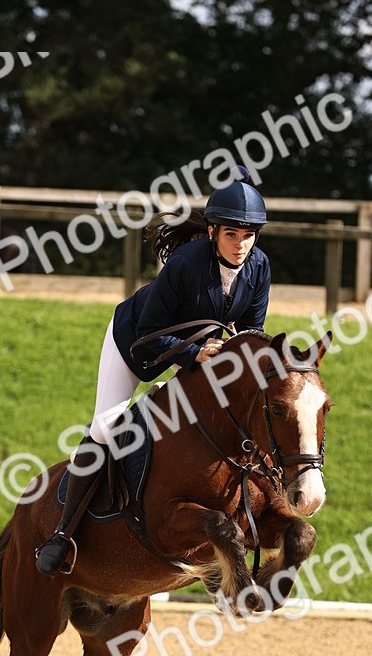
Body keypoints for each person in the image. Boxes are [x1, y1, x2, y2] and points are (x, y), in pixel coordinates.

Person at [35, 166, 271, 576]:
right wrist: (196, 354)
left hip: (201, 353)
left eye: (248, 235)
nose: (241, 245)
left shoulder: (259, 268)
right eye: (232, 234)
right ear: (213, 231)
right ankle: (63, 532)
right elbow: (149, 334)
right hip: (137, 344)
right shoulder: (185, 263)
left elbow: (252, 333)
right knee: (108, 426)